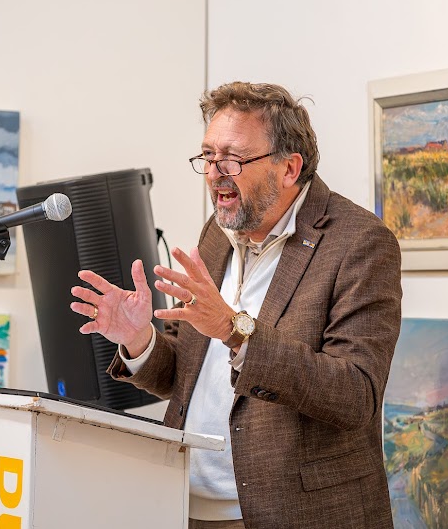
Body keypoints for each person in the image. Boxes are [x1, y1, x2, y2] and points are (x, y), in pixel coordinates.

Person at [70, 82, 402, 529]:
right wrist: (139, 338)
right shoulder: (218, 233)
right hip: (183, 504)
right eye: (207, 156)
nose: (213, 173)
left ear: (289, 168)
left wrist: (234, 330)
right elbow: (183, 375)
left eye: (232, 158)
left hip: (290, 514)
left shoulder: (359, 243)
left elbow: (354, 394)